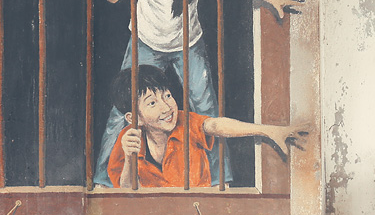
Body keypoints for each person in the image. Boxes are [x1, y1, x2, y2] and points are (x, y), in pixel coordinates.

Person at [94, 0, 304, 187]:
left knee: (206, 112)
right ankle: (104, 183)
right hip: (144, 42)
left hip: (187, 44)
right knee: (123, 112)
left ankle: (220, 182)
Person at [107, 65, 308, 190]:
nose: (166, 107)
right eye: (152, 103)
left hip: (198, 211)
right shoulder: (128, 139)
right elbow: (124, 189)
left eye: (167, 96)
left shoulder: (185, 122)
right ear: (134, 118)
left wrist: (268, 130)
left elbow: (215, 124)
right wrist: (130, 157)